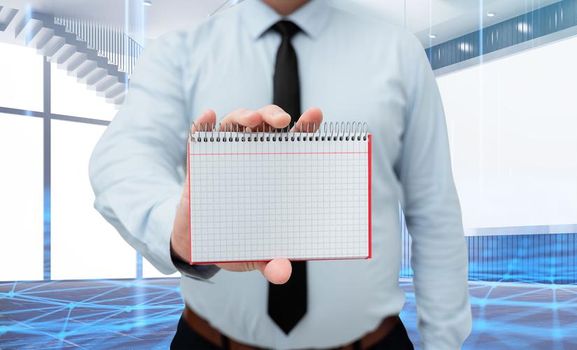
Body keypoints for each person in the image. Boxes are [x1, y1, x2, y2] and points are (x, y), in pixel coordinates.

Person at [88, 0, 471, 348]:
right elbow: (122, 158)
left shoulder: (397, 50)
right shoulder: (178, 52)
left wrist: (446, 341)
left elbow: (433, 207)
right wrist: (178, 231)